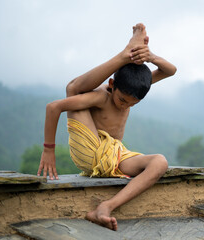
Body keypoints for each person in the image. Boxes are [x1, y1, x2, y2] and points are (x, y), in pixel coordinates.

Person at [37, 23, 177, 231]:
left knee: (160, 162)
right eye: (122, 100)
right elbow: (53, 107)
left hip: (114, 156)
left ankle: (105, 208)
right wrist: (49, 150)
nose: (125, 105)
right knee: (73, 90)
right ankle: (124, 55)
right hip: (90, 152)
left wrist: (150, 57)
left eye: (132, 104)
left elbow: (170, 71)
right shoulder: (102, 96)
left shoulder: (131, 90)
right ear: (112, 85)